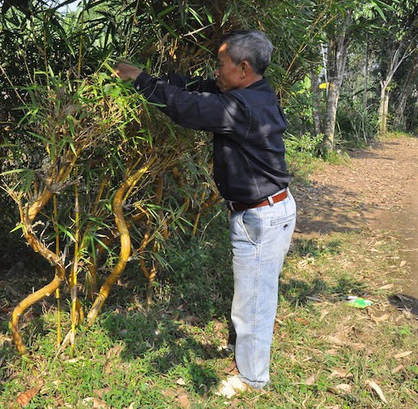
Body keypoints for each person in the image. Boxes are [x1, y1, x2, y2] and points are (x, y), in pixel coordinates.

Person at [114, 30, 296, 395]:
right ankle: (245, 356)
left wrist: (140, 80)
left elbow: (188, 108)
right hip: (261, 213)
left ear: (243, 68)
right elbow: (192, 89)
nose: (216, 70)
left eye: (221, 64)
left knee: (255, 301)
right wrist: (155, 78)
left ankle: (252, 379)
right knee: (251, 295)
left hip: (262, 217)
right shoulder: (249, 93)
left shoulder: (244, 107)